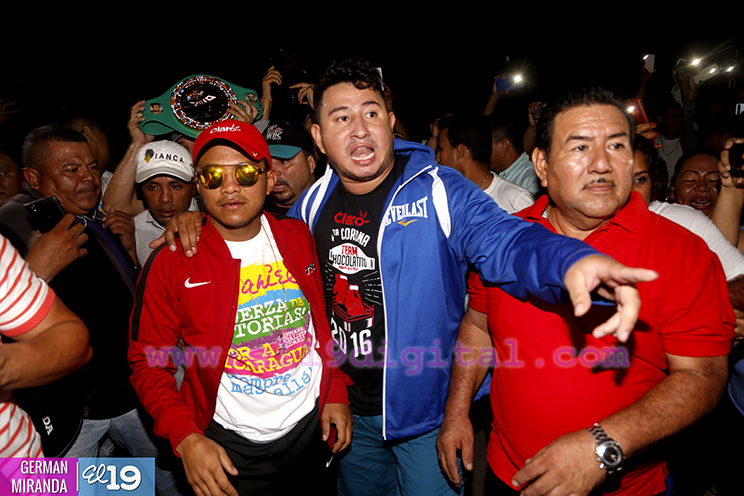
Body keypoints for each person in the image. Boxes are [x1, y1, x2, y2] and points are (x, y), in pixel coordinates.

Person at [161, 59, 657, 496]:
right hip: (346, 414)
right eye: (341, 118)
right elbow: (254, 238)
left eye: (371, 114)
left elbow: (505, 238)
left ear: (391, 121)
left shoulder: (440, 190)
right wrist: (196, 218)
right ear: (318, 137)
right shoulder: (308, 208)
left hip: (425, 417)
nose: (359, 130)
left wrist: (566, 261)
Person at [437, 87, 734, 496]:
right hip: (509, 475)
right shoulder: (506, 241)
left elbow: (702, 376)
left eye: (616, 146)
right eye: (580, 147)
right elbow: (477, 327)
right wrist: (456, 412)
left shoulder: (681, 251)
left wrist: (602, 446)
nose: (602, 164)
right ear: (541, 165)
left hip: (624, 487)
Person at [128, 120, 352, 496]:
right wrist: (185, 436)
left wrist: (335, 391)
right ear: (198, 186)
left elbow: (320, 326)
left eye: (246, 173)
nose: (230, 187)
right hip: (230, 446)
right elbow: (148, 363)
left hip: (312, 430)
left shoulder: (297, 237)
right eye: (213, 176)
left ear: (268, 179)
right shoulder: (172, 261)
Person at [0, 126, 181, 495]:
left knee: (171, 481)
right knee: (73, 488)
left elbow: (129, 303)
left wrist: (129, 253)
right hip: (71, 416)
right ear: (33, 178)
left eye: (92, 167)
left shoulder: (98, 223)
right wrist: (36, 269)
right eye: (72, 170)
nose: (88, 178)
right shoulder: (11, 230)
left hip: (134, 398)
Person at [0, 234, 91, 457]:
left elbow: (75, 341)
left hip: (27, 465)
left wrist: (5, 365)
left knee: (137, 474)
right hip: (60, 438)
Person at [435, 113, 533, 214]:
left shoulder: (517, 201)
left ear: (459, 151)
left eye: (441, 149)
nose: (437, 157)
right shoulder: (445, 196)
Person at [132, 140, 198, 265]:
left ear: (194, 187)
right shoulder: (134, 230)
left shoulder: (214, 222)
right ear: (140, 190)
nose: (165, 198)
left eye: (175, 186)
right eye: (153, 187)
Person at [262, 123, 317, 214]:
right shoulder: (253, 214)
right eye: (267, 163)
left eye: (283, 161)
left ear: (311, 163)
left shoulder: (332, 207)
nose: (273, 172)